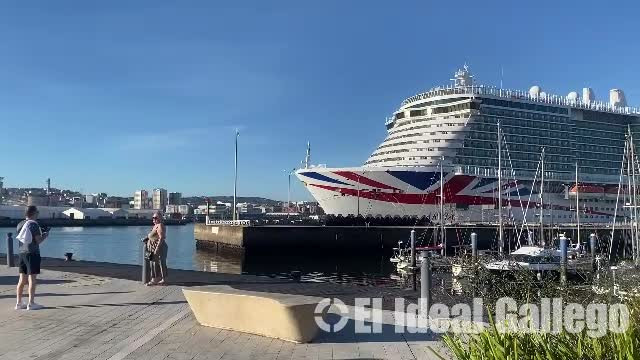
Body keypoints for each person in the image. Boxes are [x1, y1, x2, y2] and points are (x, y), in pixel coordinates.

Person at [15, 205, 49, 310]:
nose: (38, 214)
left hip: (21, 253)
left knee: (22, 279)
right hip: (32, 253)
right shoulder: (34, 225)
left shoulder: (20, 224)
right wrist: (45, 235)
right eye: (37, 212)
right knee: (32, 279)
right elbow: (38, 241)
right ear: (34, 213)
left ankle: (19, 303)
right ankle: (31, 303)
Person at [145, 211, 168, 285]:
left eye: (155, 218)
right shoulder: (155, 226)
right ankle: (156, 278)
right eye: (153, 218)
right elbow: (153, 236)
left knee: (160, 263)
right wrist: (146, 239)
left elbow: (161, 238)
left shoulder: (160, 225)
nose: (154, 219)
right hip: (151, 248)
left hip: (158, 247)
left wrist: (157, 249)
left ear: (160, 218)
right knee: (152, 263)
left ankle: (159, 279)